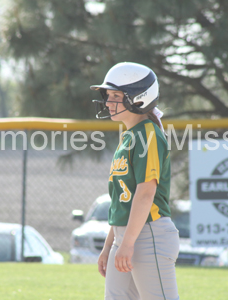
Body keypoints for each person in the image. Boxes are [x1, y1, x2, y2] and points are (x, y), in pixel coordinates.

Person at [90, 62, 180, 300]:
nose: (108, 102)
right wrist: (110, 245)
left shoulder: (147, 133)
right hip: (128, 235)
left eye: (116, 96)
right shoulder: (128, 136)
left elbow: (145, 193)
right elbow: (123, 201)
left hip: (149, 234)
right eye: (108, 95)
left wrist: (127, 243)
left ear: (139, 98)